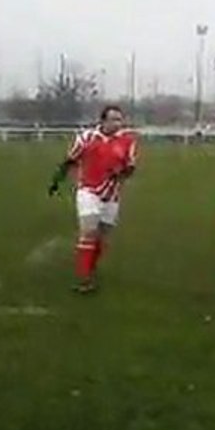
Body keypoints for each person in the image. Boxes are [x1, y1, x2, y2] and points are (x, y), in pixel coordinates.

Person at [48, 106, 138, 294]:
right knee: (89, 230)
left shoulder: (127, 140)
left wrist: (119, 173)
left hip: (112, 195)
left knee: (102, 236)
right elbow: (70, 160)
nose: (117, 123)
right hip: (88, 190)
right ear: (103, 121)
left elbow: (130, 167)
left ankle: (91, 267)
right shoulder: (86, 138)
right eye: (113, 119)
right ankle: (84, 278)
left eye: (119, 120)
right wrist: (56, 181)